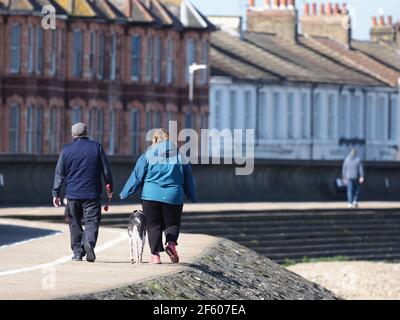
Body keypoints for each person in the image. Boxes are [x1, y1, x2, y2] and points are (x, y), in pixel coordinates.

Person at [120, 128, 196, 264]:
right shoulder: (180, 156)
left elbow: (137, 176)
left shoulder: (147, 155)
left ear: (154, 140)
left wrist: (125, 193)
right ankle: (171, 244)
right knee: (172, 223)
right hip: (174, 195)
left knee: (153, 225)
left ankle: (155, 256)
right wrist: (191, 195)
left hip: (150, 196)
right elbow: (188, 178)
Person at [52, 122, 113, 262]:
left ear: (73, 134)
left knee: (74, 222)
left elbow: (59, 173)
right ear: (86, 132)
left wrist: (55, 193)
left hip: (72, 194)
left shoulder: (66, 150)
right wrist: (110, 187)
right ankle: (89, 243)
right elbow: (106, 170)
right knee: (92, 221)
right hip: (92, 193)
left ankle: (77, 253)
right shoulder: (96, 147)